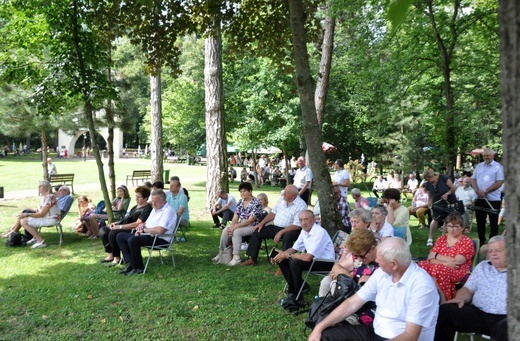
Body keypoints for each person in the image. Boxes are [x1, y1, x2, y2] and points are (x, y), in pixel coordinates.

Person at [309, 237, 439, 341]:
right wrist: (319, 327)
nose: (376, 261)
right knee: (326, 335)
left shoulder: (422, 286)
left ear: (394, 264)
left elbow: (411, 336)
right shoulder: (382, 274)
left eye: (380, 259)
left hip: (399, 337)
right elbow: (352, 302)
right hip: (374, 332)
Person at [434, 235, 507, 341]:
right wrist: (460, 298)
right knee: (445, 311)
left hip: (505, 318)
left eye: (498, 250)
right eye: (490, 251)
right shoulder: (482, 266)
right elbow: (468, 289)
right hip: (479, 314)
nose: (493, 254)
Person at [272, 210, 335, 307]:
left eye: (306, 219)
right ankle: (302, 286)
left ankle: (295, 297)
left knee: (295, 263)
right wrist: (280, 254)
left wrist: (288, 255)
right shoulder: (304, 231)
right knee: (283, 259)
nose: (303, 223)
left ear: (313, 220)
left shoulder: (319, 232)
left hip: (326, 262)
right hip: (314, 260)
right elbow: (294, 248)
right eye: (301, 220)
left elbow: (308, 257)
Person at [241, 185, 308, 267]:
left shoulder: (301, 205)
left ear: (294, 196)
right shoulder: (282, 200)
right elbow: (273, 213)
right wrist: (261, 223)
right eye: (284, 192)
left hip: (292, 230)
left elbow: (297, 225)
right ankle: (252, 258)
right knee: (258, 231)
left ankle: (284, 264)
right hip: (276, 227)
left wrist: (280, 232)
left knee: (288, 237)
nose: (283, 194)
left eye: (286, 193)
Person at [418, 212, 475, 303]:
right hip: (440, 267)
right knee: (421, 266)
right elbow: (430, 258)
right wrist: (445, 263)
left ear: (462, 227)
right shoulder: (441, 239)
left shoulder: (466, 242)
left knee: (439, 270)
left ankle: (443, 300)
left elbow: (457, 261)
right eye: (449, 226)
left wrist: (436, 255)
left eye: (456, 226)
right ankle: (422, 296)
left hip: (458, 271)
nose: (452, 230)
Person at [116, 189, 177, 275]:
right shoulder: (155, 208)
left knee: (133, 240)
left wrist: (143, 230)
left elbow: (160, 230)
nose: (154, 204)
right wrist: (142, 225)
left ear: (164, 200)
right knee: (120, 236)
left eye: (156, 201)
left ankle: (138, 268)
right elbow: (148, 223)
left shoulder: (168, 211)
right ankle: (130, 263)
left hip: (160, 239)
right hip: (148, 235)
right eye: (152, 201)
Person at [319, 222, 377, 297]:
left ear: (372, 249)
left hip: (366, 295)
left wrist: (373, 280)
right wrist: (342, 273)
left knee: (337, 285)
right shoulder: (358, 256)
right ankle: (323, 306)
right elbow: (337, 266)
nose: (359, 259)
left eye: (362, 256)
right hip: (352, 287)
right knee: (326, 281)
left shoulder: (383, 260)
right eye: (356, 255)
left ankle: (335, 307)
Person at [99, 186, 153, 266]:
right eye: (136, 196)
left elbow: (137, 223)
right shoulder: (135, 207)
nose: (136, 198)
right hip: (125, 225)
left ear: (145, 198)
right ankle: (110, 254)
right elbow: (127, 218)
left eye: (139, 197)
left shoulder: (147, 209)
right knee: (103, 230)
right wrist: (117, 223)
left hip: (133, 229)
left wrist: (120, 227)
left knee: (113, 233)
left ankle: (116, 257)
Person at [212, 182, 263, 266]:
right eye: (240, 192)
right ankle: (221, 253)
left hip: (253, 226)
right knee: (226, 230)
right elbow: (235, 217)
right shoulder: (241, 202)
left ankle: (236, 257)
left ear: (250, 191)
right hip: (241, 225)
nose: (242, 193)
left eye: (244, 191)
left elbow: (250, 220)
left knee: (237, 232)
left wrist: (235, 227)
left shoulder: (256, 203)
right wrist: (232, 227)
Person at [1, 180, 61, 248]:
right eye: (39, 186)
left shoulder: (48, 198)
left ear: (47, 187)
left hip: (50, 219)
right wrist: (28, 210)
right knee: (24, 213)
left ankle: (40, 241)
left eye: (41, 186)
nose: (39, 188)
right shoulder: (47, 197)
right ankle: (17, 232)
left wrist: (27, 214)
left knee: (23, 221)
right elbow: (41, 211)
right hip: (50, 217)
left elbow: (41, 214)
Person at [471, 148, 504, 246]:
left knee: (494, 224)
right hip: (479, 198)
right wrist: (477, 191)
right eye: (484, 155)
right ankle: (481, 242)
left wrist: (485, 191)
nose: (486, 157)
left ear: (493, 156)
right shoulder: (479, 166)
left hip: (493, 199)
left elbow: (499, 182)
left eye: (488, 155)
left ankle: (493, 243)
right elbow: (473, 179)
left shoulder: (498, 167)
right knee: (480, 222)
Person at [423, 169, 458, 247]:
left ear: (433, 176)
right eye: (428, 181)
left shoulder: (443, 178)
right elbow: (430, 195)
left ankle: (443, 238)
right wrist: (430, 203)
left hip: (449, 201)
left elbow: (453, 188)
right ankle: (430, 238)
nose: (430, 182)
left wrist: (447, 194)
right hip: (437, 202)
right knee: (435, 219)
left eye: (430, 180)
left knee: (447, 220)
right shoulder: (428, 184)